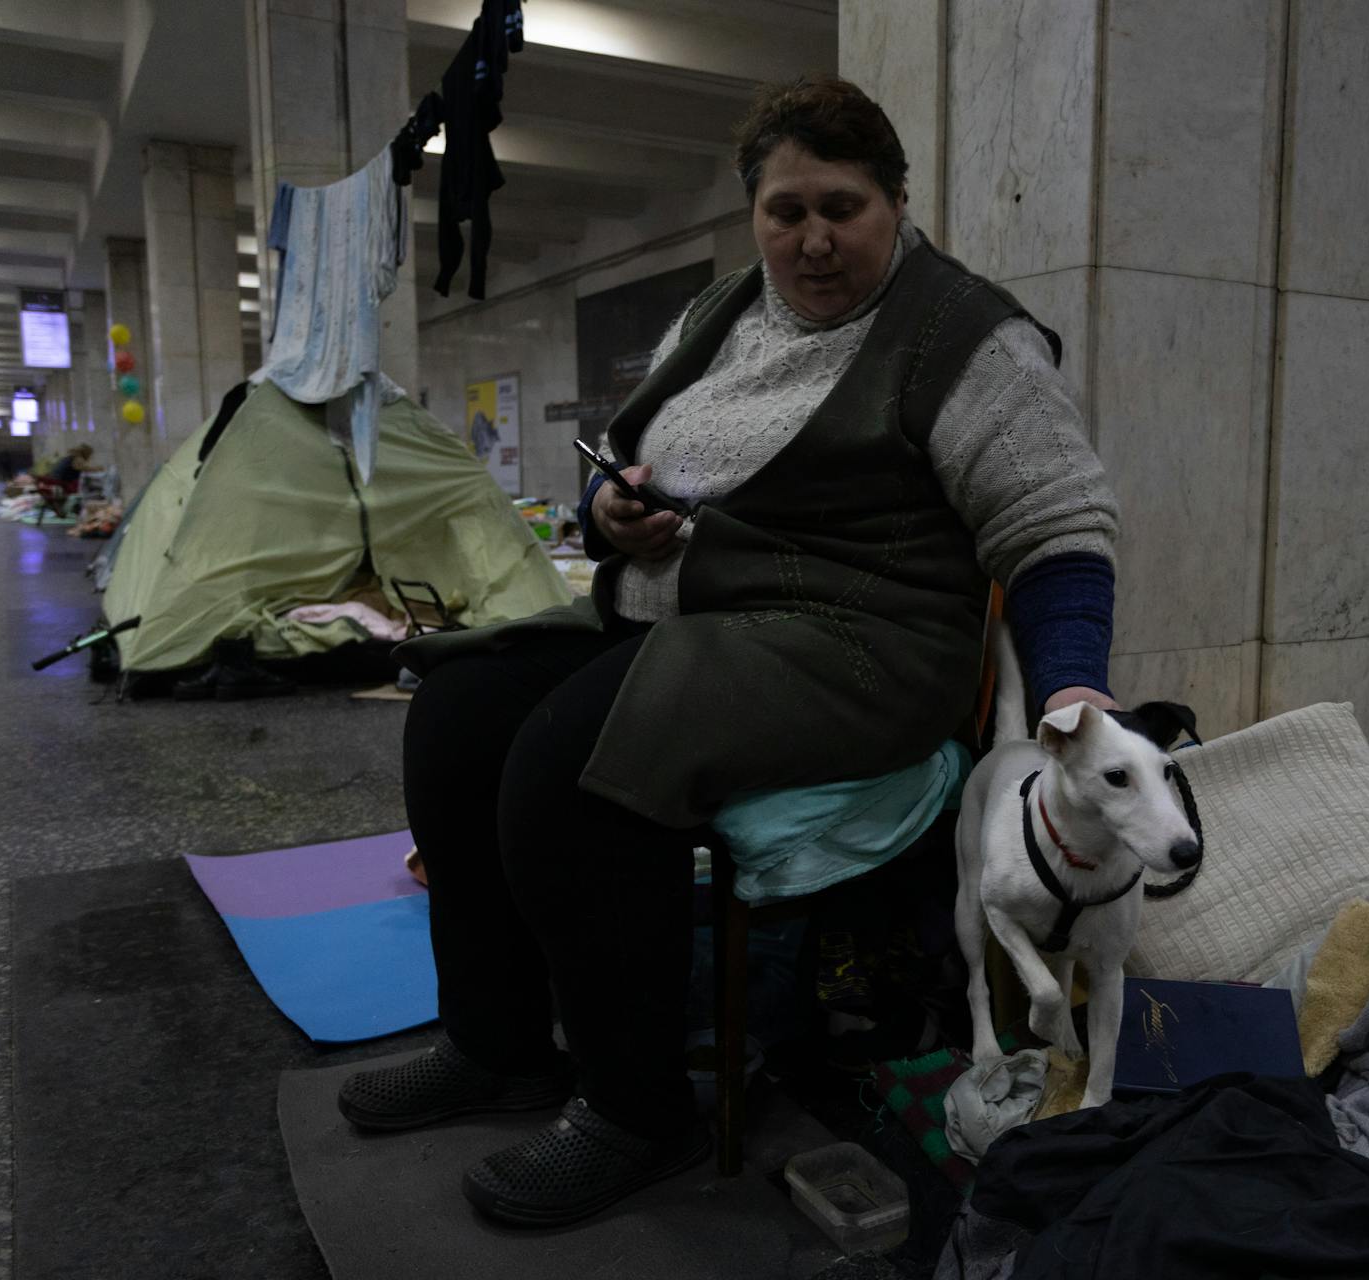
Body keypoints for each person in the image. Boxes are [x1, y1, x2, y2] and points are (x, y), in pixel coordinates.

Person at [338, 74, 1123, 1227]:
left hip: (865, 640)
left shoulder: (966, 338)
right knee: (454, 717)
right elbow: (627, 456)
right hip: (699, 608)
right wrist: (616, 515)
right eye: (785, 210)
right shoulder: (720, 314)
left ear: (896, 203)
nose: (812, 240)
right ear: (755, 213)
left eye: (842, 209)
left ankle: (633, 1104)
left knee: (572, 761)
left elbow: (1057, 532)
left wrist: (1074, 699)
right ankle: (497, 1039)